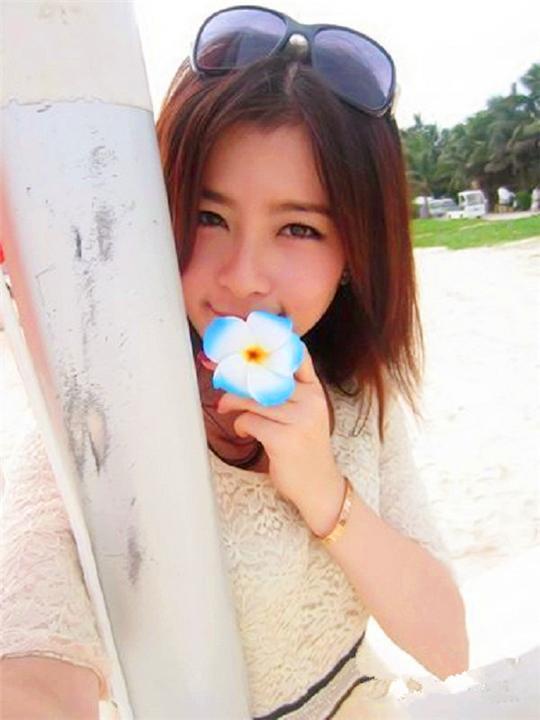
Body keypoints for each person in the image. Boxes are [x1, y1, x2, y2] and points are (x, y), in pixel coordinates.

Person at [0, 6, 469, 718]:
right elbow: (32, 655)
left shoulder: (353, 399)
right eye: (209, 216)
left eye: (298, 228)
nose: (244, 277)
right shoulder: (102, 408)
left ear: (354, 255)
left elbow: (448, 645)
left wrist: (322, 488)